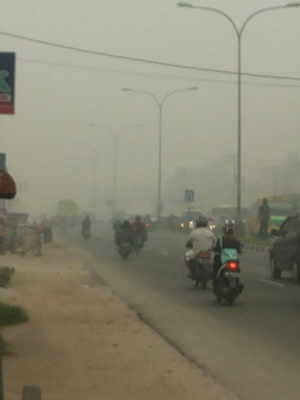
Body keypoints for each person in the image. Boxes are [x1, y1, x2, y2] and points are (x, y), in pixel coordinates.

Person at [213, 220, 241, 292]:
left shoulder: (221, 239)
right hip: (234, 260)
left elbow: (216, 249)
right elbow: (239, 250)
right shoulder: (237, 240)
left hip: (222, 260)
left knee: (216, 268)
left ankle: (215, 282)